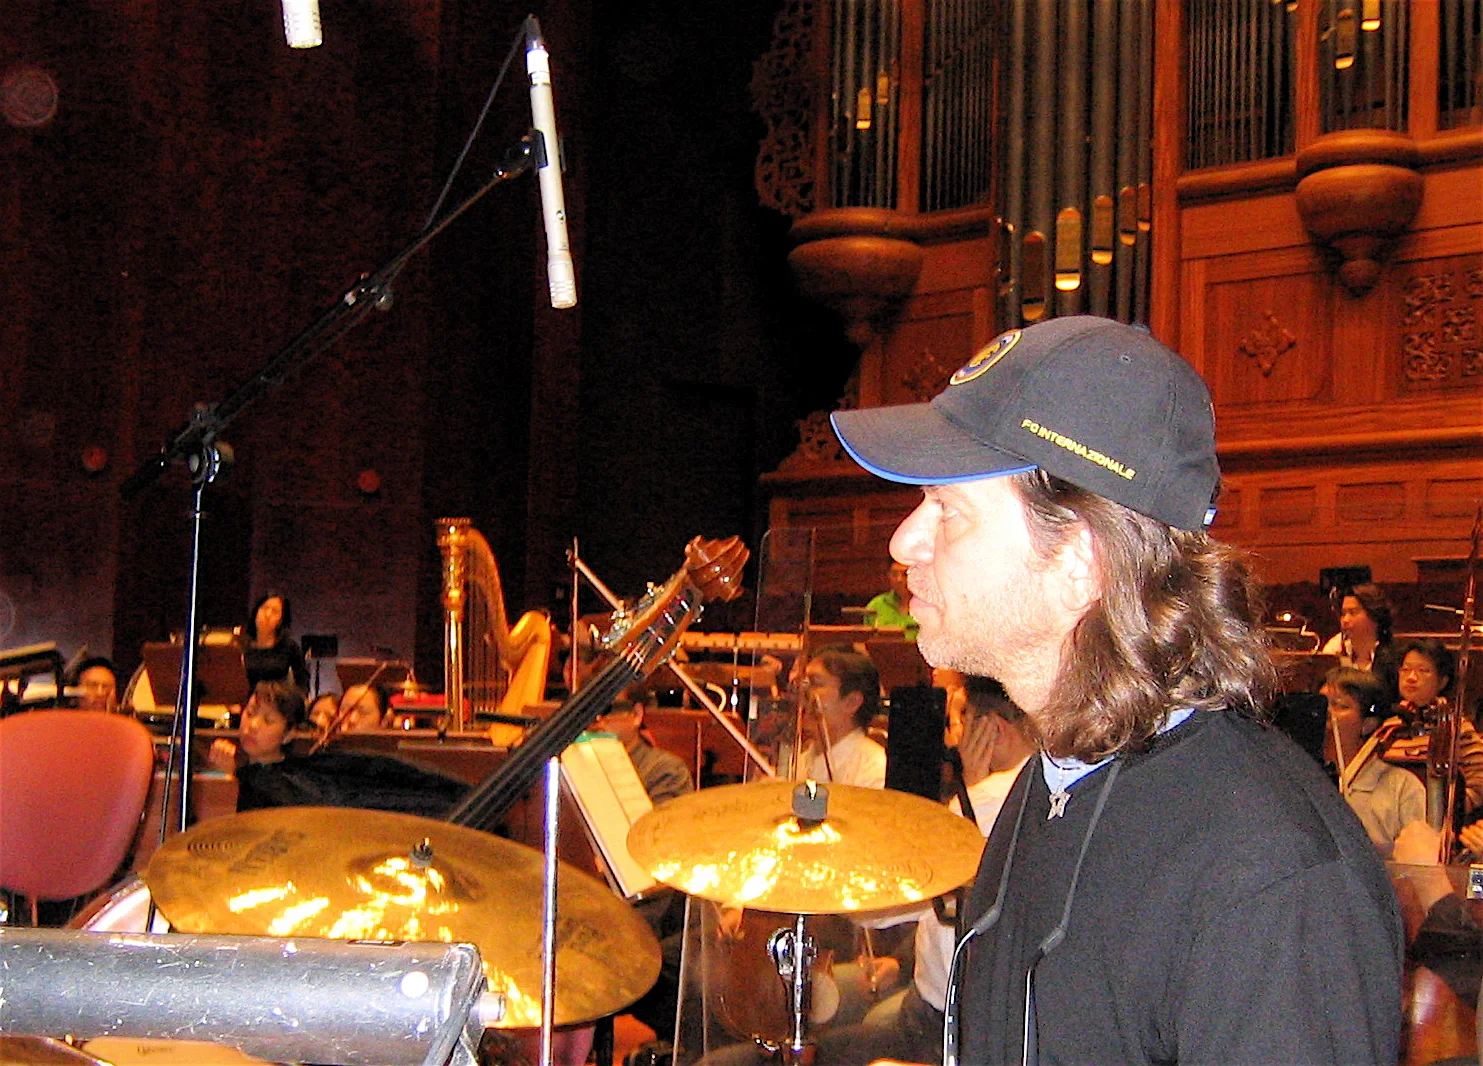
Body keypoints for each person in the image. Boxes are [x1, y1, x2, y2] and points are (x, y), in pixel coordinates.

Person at [830, 315, 1402, 1064]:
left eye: (947, 509)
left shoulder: (1271, 878)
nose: (906, 542)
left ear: (1079, 562)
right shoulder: (1052, 780)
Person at [818, 677, 1037, 1065]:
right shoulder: (1042, 791)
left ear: (993, 731)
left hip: (945, 1018)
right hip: (986, 1007)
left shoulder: (979, 805)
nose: (952, 740)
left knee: (828, 1049)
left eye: (959, 722)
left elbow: (874, 909)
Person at [1321, 666, 1425, 857]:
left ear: (1368, 723)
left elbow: (1418, 864)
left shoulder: (1402, 787)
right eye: (1322, 704)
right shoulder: (1301, 776)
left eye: (1340, 706)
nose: (1327, 713)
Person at [1381, 637, 1483, 812]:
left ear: (1442, 681)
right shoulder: (1389, 727)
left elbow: (1479, 782)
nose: (1411, 678)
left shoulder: (1457, 727)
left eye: (1423, 671)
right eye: (1405, 670)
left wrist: (1449, 814)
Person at [206, 680, 308, 811]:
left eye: (268, 721)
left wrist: (231, 782)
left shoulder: (292, 784)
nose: (253, 725)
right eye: (250, 713)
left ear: (288, 734)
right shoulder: (241, 767)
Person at [800, 645, 886, 788]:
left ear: (852, 702)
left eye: (815, 684)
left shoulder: (873, 770)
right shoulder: (800, 762)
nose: (803, 694)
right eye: (803, 684)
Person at [594, 693, 693, 805]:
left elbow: (664, 821)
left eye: (607, 710)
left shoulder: (666, 770)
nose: (597, 719)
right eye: (587, 712)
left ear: (637, 714)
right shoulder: (576, 763)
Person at [1321, 583, 1394, 674]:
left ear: (1374, 615)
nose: (1345, 620)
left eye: (1353, 612)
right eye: (1343, 613)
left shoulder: (1393, 653)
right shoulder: (1334, 648)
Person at [240, 592, 308, 691]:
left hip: (277, 701)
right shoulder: (243, 644)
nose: (268, 615)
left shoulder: (289, 646)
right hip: (248, 702)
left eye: (275, 611)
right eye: (264, 608)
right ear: (256, 611)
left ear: (280, 620)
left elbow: (302, 679)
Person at [864, 561, 918, 639]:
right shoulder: (876, 605)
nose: (899, 579)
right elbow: (862, 641)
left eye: (905, 574)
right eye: (894, 574)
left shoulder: (930, 605)